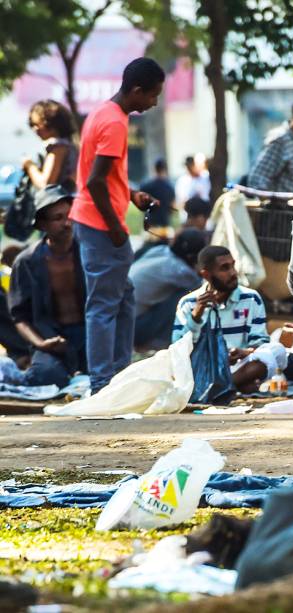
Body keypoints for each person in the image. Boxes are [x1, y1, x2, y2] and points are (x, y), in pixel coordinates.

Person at [71, 57, 164, 393]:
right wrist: (114, 226)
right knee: (103, 306)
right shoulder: (115, 123)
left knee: (123, 298)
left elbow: (106, 177)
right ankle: (102, 383)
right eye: (153, 95)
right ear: (136, 91)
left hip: (95, 221)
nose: (154, 103)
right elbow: (95, 182)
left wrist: (132, 195)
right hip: (100, 226)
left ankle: (119, 373)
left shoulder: (103, 113)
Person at [173, 246, 285, 394]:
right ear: (206, 275)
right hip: (203, 370)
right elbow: (178, 350)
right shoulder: (188, 303)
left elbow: (260, 344)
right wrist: (196, 315)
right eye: (224, 268)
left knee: (277, 350)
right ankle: (231, 387)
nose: (233, 272)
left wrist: (244, 353)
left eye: (233, 265)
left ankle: (219, 388)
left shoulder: (251, 298)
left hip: (240, 367)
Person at [9, 185, 86, 387]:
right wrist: (41, 344)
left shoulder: (88, 253)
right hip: (50, 337)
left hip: (88, 334)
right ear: (43, 224)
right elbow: (20, 317)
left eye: (70, 216)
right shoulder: (27, 262)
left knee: (109, 374)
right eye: (58, 218)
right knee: (46, 377)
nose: (67, 223)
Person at [130, 228, 207, 350]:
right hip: (134, 329)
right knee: (190, 294)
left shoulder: (160, 250)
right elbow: (202, 284)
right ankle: (163, 342)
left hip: (122, 320)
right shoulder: (180, 271)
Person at [22, 100, 78, 192]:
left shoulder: (59, 147)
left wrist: (29, 165)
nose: (35, 129)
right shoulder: (69, 145)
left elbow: (45, 184)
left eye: (37, 124)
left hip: (56, 204)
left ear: (50, 123)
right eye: (32, 125)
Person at [139, 159, 176, 230]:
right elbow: (172, 207)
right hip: (165, 225)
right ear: (165, 169)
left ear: (154, 169)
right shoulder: (170, 187)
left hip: (150, 226)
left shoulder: (146, 186)